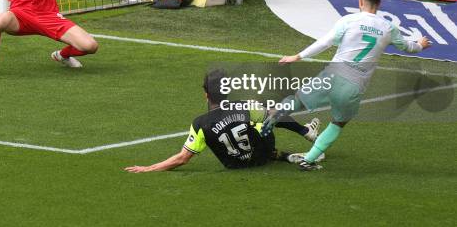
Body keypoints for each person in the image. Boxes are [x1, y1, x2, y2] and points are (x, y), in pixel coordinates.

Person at [262, 0, 432, 171]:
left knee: (297, 100)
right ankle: (308, 160)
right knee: (338, 122)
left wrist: (298, 56)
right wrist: (421, 44)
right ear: (380, 3)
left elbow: (325, 42)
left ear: (360, 1)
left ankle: (277, 114)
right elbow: (409, 47)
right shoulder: (388, 28)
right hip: (354, 86)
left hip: (332, 75)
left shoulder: (348, 20)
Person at [125, 70, 321, 173]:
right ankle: (304, 133)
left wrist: (148, 168)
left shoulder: (200, 123)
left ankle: (282, 154)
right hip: (260, 156)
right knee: (268, 114)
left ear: (205, 94)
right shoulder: (245, 106)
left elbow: (182, 158)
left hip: (234, 164)